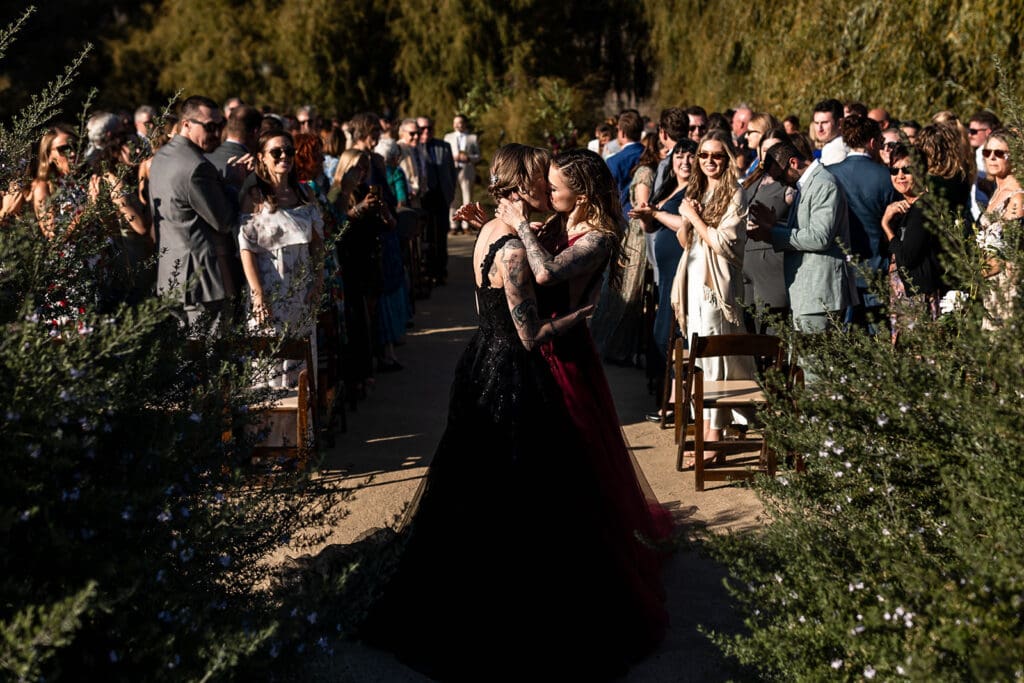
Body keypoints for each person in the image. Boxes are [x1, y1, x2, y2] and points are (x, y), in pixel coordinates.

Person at [361, 144, 651, 681]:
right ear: (526, 185)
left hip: (485, 360)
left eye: (556, 181)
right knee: (516, 483)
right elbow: (531, 327)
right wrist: (574, 319)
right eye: (543, 179)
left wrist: (500, 221)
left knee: (491, 480)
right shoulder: (515, 246)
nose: (549, 187)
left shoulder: (515, 234)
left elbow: (531, 267)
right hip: (516, 363)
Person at [495, 148, 671, 642]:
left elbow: (547, 272)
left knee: (578, 452)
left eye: (555, 186)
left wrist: (523, 229)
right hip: (543, 341)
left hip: (566, 351)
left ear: (584, 194)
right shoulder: (556, 220)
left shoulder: (598, 236)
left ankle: (593, 556)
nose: (548, 192)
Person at [669, 131, 752, 465]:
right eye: (704, 156)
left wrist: (695, 218)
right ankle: (703, 430)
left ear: (727, 158)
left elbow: (727, 244)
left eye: (716, 156)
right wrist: (687, 220)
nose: (708, 162)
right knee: (699, 360)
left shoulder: (736, 193)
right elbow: (685, 240)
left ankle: (715, 437)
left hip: (717, 288)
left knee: (717, 360)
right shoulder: (698, 188)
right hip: (692, 282)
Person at [238, 131, 323, 386]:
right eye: (276, 152)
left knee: (300, 361)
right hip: (269, 288)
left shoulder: (306, 194)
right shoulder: (254, 197)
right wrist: (257, 294)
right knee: (269, 363)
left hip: (301, 289)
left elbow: (318, 246)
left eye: (288, 150)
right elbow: (246, 248)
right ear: (262, 158)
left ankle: (302, 424)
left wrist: (318, 281)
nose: (284, 155)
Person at [748, 137, 857, 334]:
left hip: (818, 293)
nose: (780, 182)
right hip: (808, 294)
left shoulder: (824, 184)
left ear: (793, 162)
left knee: (814, 362)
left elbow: (820, 237)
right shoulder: (807, 185)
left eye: (781, 176)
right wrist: (772, 226)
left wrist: (772, 232)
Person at [148, 95, 238, 331]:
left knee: (183, 358)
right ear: (186, 124)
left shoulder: (161, 157)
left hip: (170, 274)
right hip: (202, 280)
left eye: (220, 126)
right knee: (210, 357)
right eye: (209, 126)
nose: (217, 133)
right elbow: (224, 221)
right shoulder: (197, 166)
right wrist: (233, 184)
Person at [630, 140, 696, 416]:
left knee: (676, 334)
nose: (684, 161)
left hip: (683, 271)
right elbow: (652, 226)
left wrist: (656, 212)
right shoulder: (669, 187)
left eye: (690, 157)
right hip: (665, 272)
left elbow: (686, 225)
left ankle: (676, 402)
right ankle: (668, 398)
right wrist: (646, 215)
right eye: (679, 156)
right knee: (662, 336)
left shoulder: (696, 191)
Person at [590, 131, 660, 365]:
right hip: (637, 238)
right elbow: (642, 209)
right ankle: (615, 346)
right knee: (627, 294)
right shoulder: (645, 172)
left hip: (636, 234)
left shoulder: (641, 167)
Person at [880, 144, 944, 337]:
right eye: (894, 170)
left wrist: (885, 224)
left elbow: (907, 257)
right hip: (905, 296)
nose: (900, 175)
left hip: (916, 298)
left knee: (915, 358)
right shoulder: (906, 208)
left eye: (907, 170)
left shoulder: (922, 209)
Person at [976, 129, 1023, 328]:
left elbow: (1012, 251)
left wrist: (977, 271)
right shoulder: (996, 191)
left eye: (999, 153)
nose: (992, 158)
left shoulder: (1017, 196)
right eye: (987, 153)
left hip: (1008, 288)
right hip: (991, 285)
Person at [444, 114, 480, 234]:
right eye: (455, 122)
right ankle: (453, 225)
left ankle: (466, 225)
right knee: (453, 198)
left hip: (467, 170)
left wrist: (469, 158)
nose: (457, 125)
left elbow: (478, 156)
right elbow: (444, 155)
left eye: (460, 122)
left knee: (467, 198)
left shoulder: (472, 138)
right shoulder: (448, 137)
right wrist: (451, 158)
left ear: (464, 124)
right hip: (452, 170)